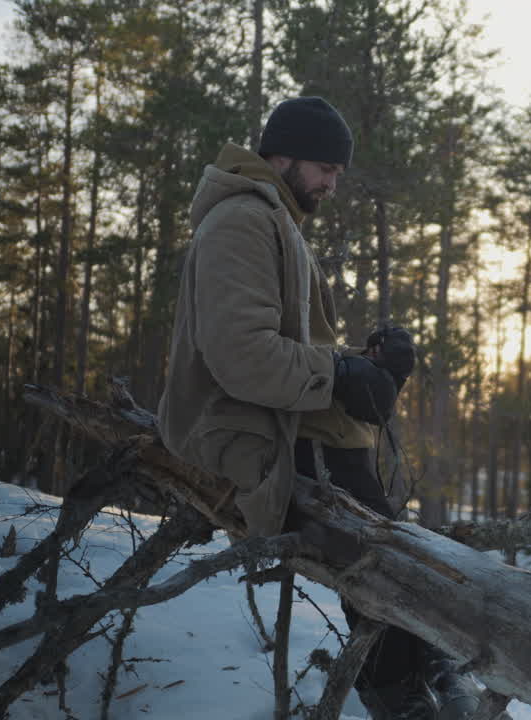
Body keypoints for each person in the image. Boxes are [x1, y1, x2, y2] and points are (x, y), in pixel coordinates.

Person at [157, 97, 495, 720]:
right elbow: (241, 356)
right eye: (325, 168)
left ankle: (421, 668)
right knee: (378, 553)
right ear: (280, 155)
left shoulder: (271, 219)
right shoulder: (242, 220)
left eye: (338, 173)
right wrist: (339, 372)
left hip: (274, 425)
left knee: (384, 534)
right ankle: (407, 688)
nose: (333, 184)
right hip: (239, 435)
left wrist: (363, 364)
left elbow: (286, 349)